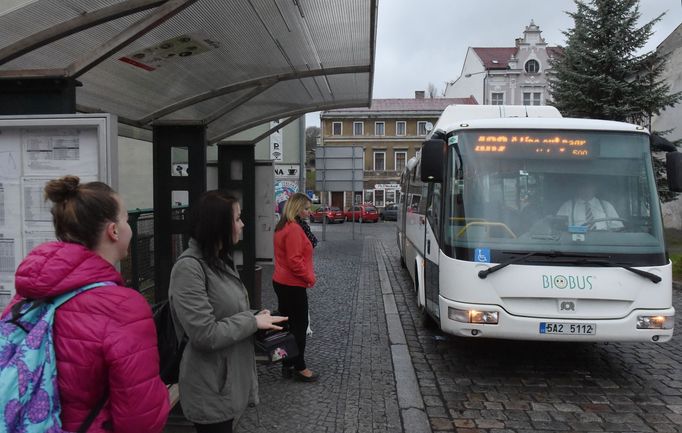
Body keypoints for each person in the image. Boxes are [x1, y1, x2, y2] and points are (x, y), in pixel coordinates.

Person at [4, 175, 170, 433]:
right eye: (126, 219)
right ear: (113, 231)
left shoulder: (29, 294)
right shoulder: (123, 307)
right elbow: (141, 417)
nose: (129, 226)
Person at [168, 191, 286, 433]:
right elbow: (205, 334)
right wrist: (252, 322)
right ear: (218, 225)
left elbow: (228, 311)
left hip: (227, 380)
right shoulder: (189, 269)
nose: (242, 224)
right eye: (237, 218)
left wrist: (257, 315)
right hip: (210, 386)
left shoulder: (220, 260)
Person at [273, 192, 319, 382]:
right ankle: (300, 367)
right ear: (296, 208)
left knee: (287, 325)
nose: (309, 212)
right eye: (306, 208)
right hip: (293, 284)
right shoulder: (293, 229)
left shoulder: (283, 225)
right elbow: (294, 260)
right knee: (299, 327)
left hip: (282, 282)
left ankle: (287, 363)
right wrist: (310, 278)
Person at [556, 179, 623, 230]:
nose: (586, 190)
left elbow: (618, 228)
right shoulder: (567, 206)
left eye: (590, 187)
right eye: (583, 186)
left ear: (595, 189)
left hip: (603, 242)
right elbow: (559, 227)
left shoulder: (607, 205)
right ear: (578, 189)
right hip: (577, 242)